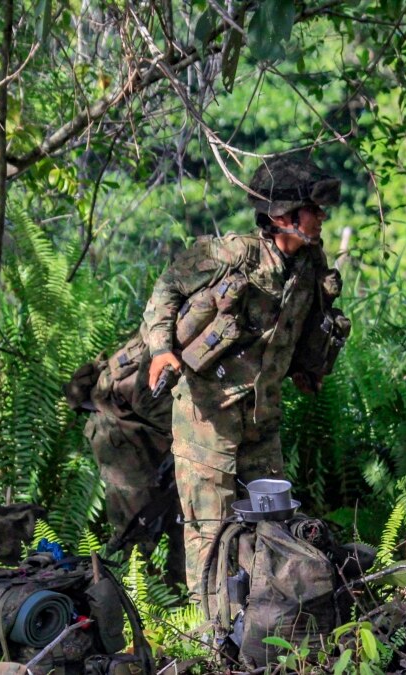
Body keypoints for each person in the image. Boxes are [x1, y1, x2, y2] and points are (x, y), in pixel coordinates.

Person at [139, 155, 343, 596]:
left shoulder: (310, 264)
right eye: (314, 209)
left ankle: (262, 626)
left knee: (273, 527)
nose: (323, 217)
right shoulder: (232, 255)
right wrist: (160, 350)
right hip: (208, 418)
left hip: (262, 420)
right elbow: (166, 288)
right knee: (210, 532)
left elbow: (305, 323)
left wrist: (309, 368)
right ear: (283, 216)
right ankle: (207, 638)